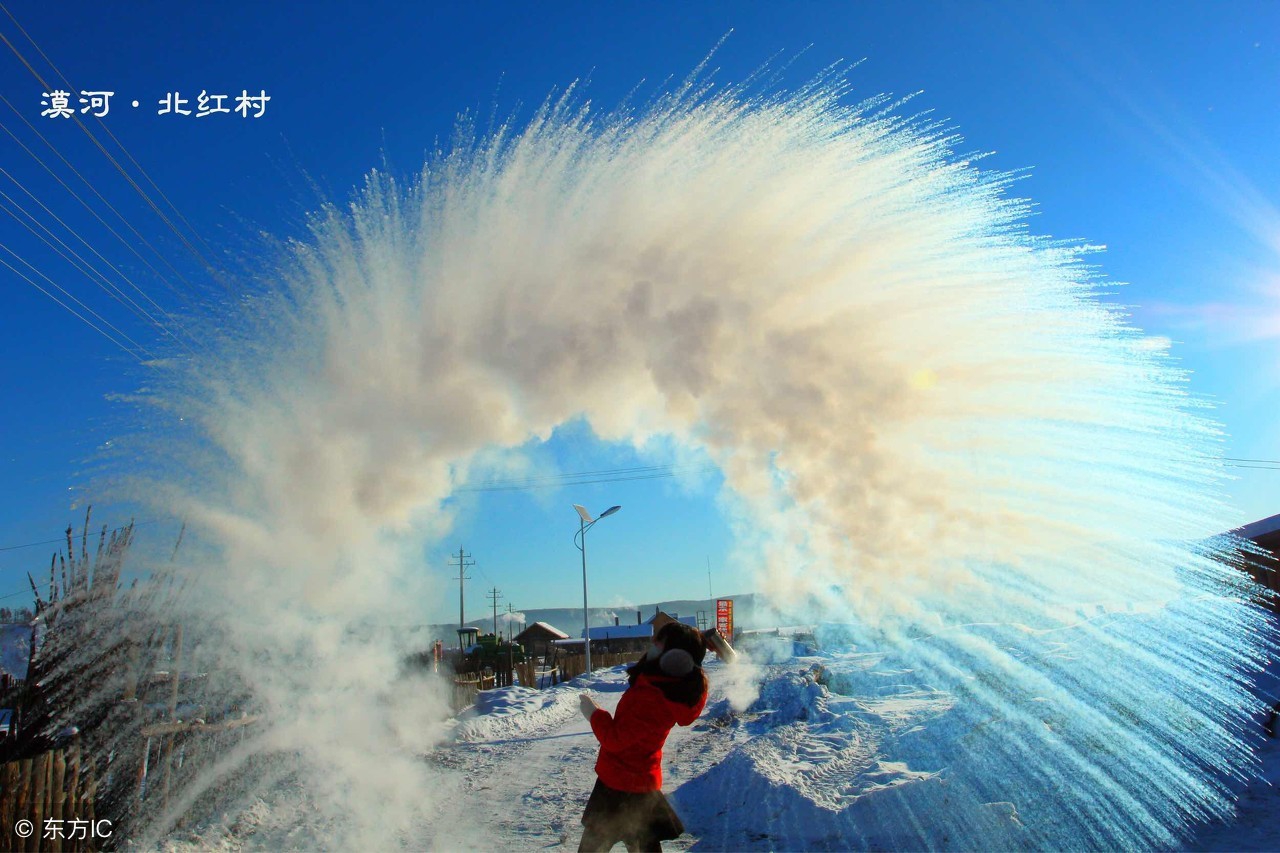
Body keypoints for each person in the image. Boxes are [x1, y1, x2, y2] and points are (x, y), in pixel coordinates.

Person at [577, 621, 709, 852]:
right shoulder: (673, 686)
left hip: (618, 784)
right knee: (644, 845)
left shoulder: (653, 697)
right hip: (642, 782)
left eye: (660, 641)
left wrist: (594, 714)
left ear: (676, 658)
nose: (653, 643)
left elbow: (615, 739)